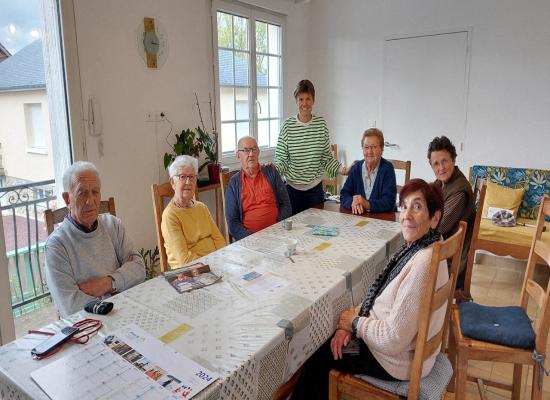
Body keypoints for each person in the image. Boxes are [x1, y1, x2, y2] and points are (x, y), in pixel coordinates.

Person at [290, 179, 448, 399]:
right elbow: (384, 297)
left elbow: (392, 339)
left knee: (319, 352)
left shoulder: (423, 262)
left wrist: (354, 323)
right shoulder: (431, 244)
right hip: (394, 347)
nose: (407, 215)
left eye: (418, 207)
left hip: (392, 360)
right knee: (334, 336)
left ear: (435, 218)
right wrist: (355, 318)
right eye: (404, 206)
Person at [44, 161, 145, 317]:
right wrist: (122, 281)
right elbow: (70, 305)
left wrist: (106, 283)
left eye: (95, 192)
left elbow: (138, 268)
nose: (90, 201)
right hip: (90, 324)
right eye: (82, 193)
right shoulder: (56, 246)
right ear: (67, 199)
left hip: (126, 310)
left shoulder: (113, 225)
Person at [275, 79, 351, 215]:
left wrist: (343, 170)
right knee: (294, 231)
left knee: (316, 230)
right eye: (301, 99)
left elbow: (326, 159)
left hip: (315, 191)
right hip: (292, 191)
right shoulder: (287, 126)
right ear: (296, 101)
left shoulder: (321, 124)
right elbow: (281, 160)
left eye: (308, 99)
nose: (304, 103)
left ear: (313, 100)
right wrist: (272, 170)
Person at [427, 136, 474, 292]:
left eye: (445, 161)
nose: (441, 167)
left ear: (453, 160)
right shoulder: (441, 183)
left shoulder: (459, 191)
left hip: (451, 260)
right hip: (444, 249)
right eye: (436, 163)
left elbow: (439, 228)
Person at [161, 155, 226, 268]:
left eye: (192, 177)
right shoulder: (170, 215)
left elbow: (219, 241)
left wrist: (224, 259)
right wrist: (212, 265)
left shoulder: (202, 208)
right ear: (172, 182)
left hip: (214, 264)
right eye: (182, 177)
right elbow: (184, 260)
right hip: (189, 272)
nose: (188, 182)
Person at [225, 136, 292, 240]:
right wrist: (251, 238)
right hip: (249, 240)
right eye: (246, 150)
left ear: (259, 152)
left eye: (254, 149)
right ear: (238, 155)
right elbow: (232, 222)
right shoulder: (234, 183)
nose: (251, 154)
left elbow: (286, 205)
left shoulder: (271, 172)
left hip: (277, 233)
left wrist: (276, 226)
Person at [340, 128, 397, 214]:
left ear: (382, 149)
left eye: (374, 147)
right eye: (366, 147)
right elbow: (344, 194)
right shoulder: (356, 167)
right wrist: (353, 203)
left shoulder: (387, 169)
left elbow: (389, 202)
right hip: (358, 219)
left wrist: (366, 204)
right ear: (362, 149)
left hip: (381, 220)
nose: (369, 151)